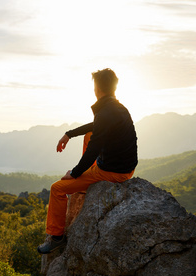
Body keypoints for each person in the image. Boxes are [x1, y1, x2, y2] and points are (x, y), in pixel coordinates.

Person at [37, 68, 138, 254]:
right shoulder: (118, 108)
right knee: (90, 134)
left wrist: (74, 173)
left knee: (57, 189)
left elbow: (93, 150)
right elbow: (97, 127)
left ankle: (56, 237)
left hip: (112, 172)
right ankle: (85, 181)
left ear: (97, 89)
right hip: (125, 167)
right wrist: (69, 134)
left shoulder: (106, 112)